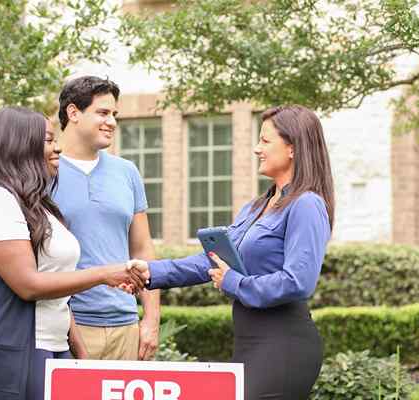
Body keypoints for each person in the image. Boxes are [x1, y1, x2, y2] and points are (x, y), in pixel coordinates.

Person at [130, 105, 334, 400]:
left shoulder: (306, 204)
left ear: (292, 147)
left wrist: (233, 282)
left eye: (265, 141)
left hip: (284, 345)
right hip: (249, 342)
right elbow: (213, 261)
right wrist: (151, 272)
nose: (256, 149)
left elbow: (298, 281)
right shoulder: (254, 208)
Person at [0, 107, 148, 400]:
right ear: (20, 145)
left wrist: (79, 352)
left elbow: (58, 289)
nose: (57, 148)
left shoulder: (41, 207)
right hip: (2, 344)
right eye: (48, 140)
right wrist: (105, 274)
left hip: (51, 343)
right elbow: (29, 285)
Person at [0, 76, 160, 361]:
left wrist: (150, 319)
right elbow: (7, 237)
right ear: (73, 113)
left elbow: (142, 248)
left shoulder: (127, 173)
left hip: (124, 323)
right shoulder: (40, 171)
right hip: (66, 324)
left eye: (114, 114)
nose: (112, 122)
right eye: (103, 113)